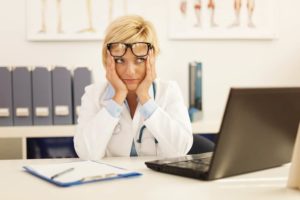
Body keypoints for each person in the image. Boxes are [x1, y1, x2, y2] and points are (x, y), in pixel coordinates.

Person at [74, 15, 193, 160]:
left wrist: (145, 98)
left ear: (152, 57)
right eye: (120, 60)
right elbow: (86, 154)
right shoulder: (93, 94)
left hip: (157, 182)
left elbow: (180, 150)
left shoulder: (168, 91)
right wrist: (117, 97)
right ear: (107, 59)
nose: (130, 71)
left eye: (139, 60)